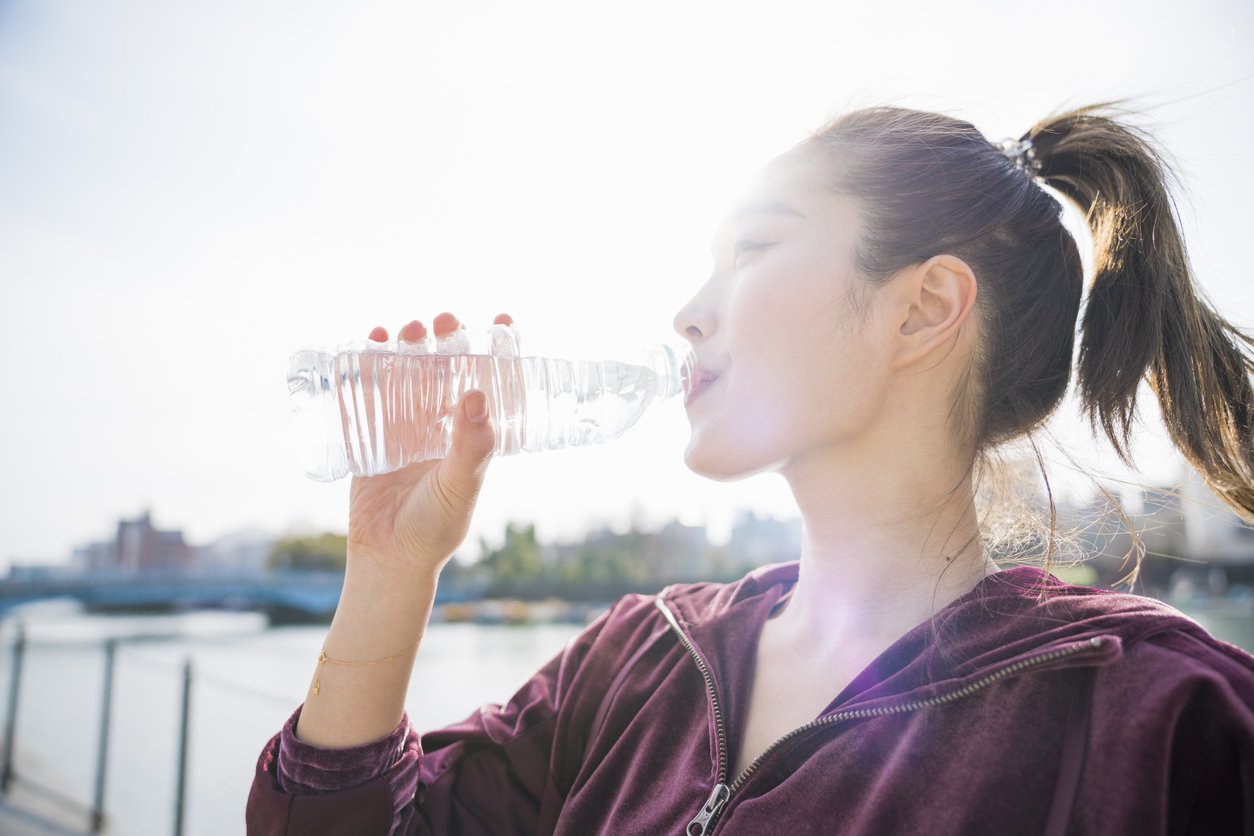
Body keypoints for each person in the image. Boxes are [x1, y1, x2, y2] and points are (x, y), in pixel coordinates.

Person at [247, 102, 1254, 835]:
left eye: (755, 247)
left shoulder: (1161, 719)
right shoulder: (637, 662)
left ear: (923, 308)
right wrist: (390, 567)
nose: (689, 311)